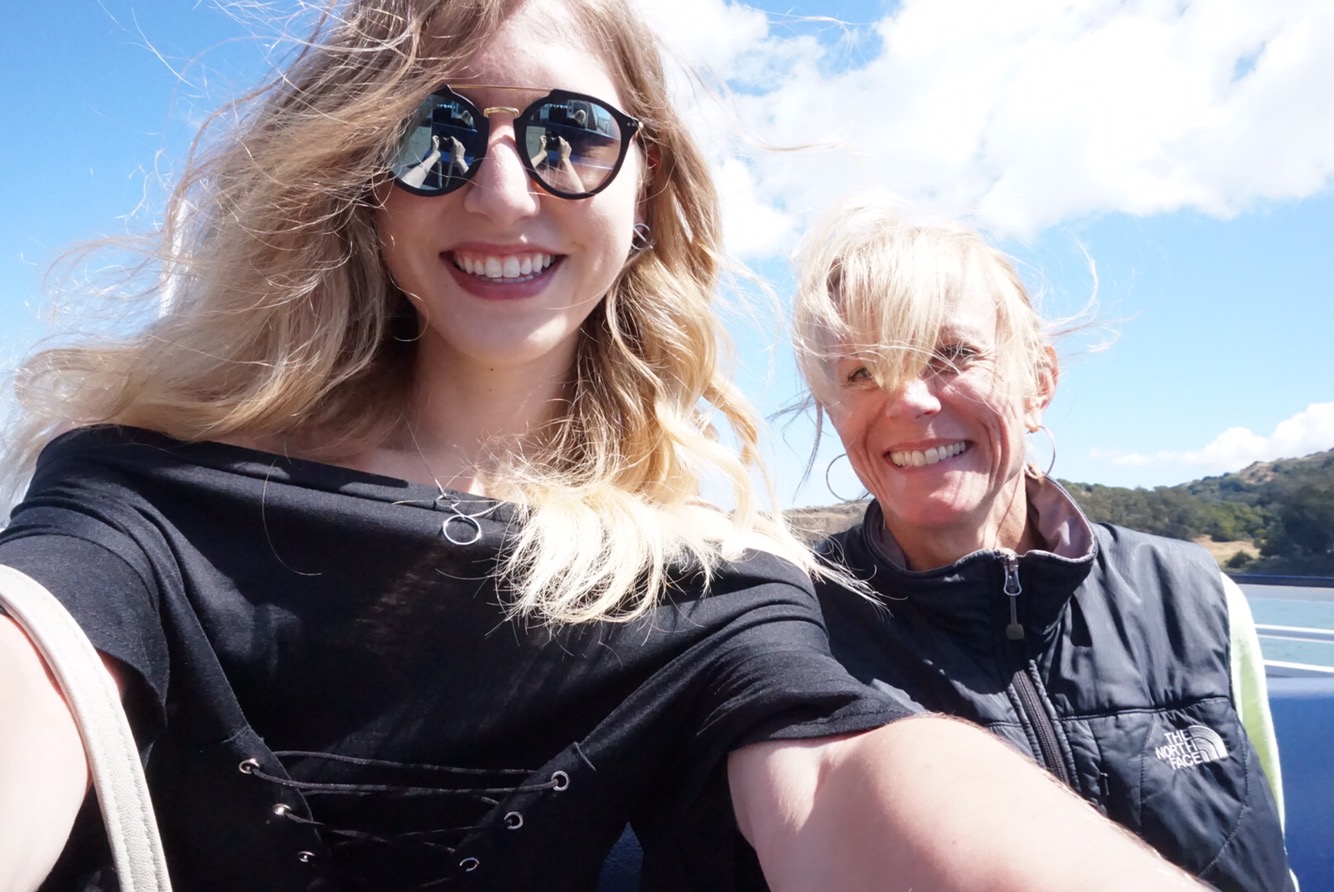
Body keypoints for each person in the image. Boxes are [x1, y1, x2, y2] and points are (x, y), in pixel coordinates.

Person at [0, 1, 1208, 890]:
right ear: (364, 180)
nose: (501, 190)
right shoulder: (139, 501)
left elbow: (836, 775)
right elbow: (35, 653)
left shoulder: (698, 582)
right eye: (431, 131)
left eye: (569, 132)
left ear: (646, 187)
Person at [791, 198, 1296, 892]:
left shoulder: (1193, 598)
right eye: (862, 372)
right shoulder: (796, 630)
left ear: (1039, 382)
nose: (908, 400)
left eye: (952, 354)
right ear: (835, 411)